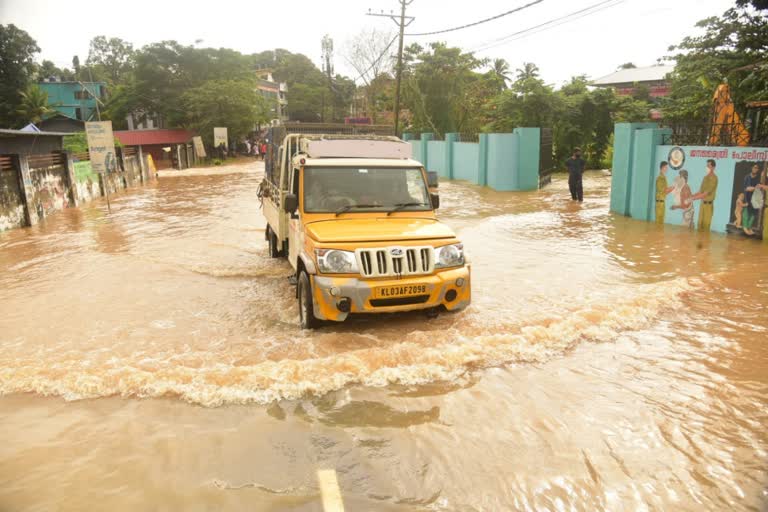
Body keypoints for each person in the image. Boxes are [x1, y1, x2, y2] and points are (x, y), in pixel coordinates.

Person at [690, 159, 718, 232]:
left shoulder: (714, 179)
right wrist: (691, 196)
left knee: (705, 227)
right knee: (699, 225)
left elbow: (705, 194)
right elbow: (700, 191)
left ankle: (705, 243)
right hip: (702, 205)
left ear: (713, 167)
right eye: (707, 165)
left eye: (709, 165)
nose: (707, 167)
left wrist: (693, 198)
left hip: (708, 206)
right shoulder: (705, 178)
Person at [742, 164, 761, 235]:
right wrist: (754, 188)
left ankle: (749, 228)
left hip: (755, 199)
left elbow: (758, 189)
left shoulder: (758, 178)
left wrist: (752, 188)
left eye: (757, 168)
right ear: (751, 168)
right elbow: (746, 188)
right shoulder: (747, 177)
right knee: (746, 214)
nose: (755, 169)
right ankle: (745, 228)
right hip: (747, 198)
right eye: (754, 167)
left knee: (753, 215)